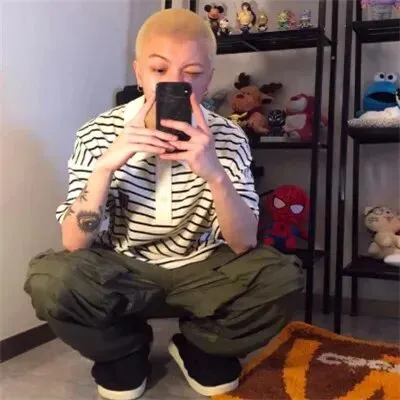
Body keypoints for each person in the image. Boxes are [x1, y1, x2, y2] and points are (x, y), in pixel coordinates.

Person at [24, 8, 303, 400]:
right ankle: (124, 350)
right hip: (123, 271)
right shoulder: (97, 132)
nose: (176, 83)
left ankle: (200, 347)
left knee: (282, 277)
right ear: (139, 74)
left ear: (208, 79)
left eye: (192, 73)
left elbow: (244, 243)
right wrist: (105, 167)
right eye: (159, 70)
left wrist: (215, 173)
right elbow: (74, 242)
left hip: (203, 269)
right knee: (51, 279)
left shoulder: (229, 136)